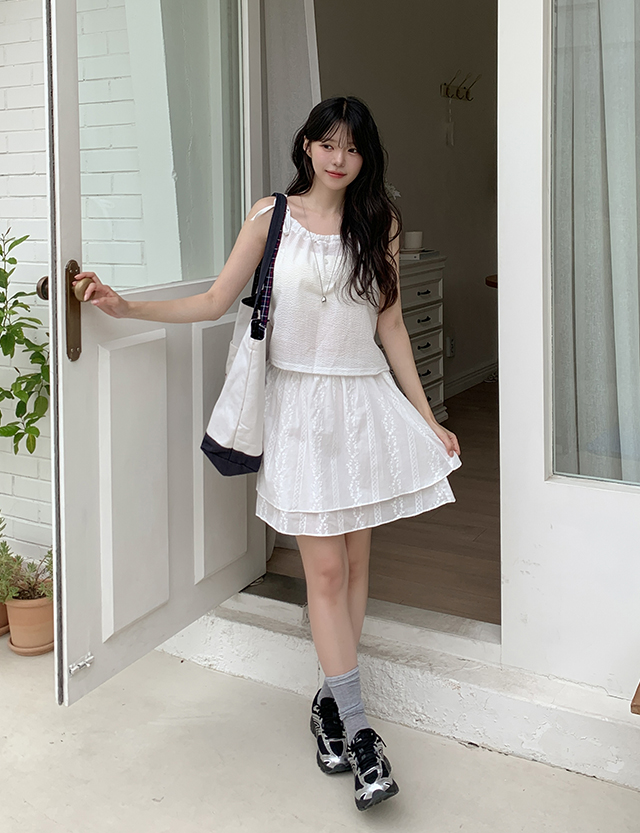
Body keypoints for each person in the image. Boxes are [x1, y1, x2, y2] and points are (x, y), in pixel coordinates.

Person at [74, 95, 462, 812]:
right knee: (325, 569)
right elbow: (215, 300)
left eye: (353, 148)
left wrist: (425, 414)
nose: (339, 158)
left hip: (361, 404)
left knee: (355, 567)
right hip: (299, 412)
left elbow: (391, 325)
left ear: (366, 156)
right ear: (307, 146)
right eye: (328, 143)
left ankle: (330, 703)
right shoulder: (271, 217)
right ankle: (363, 734)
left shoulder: (378, 222)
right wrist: (127, 308)